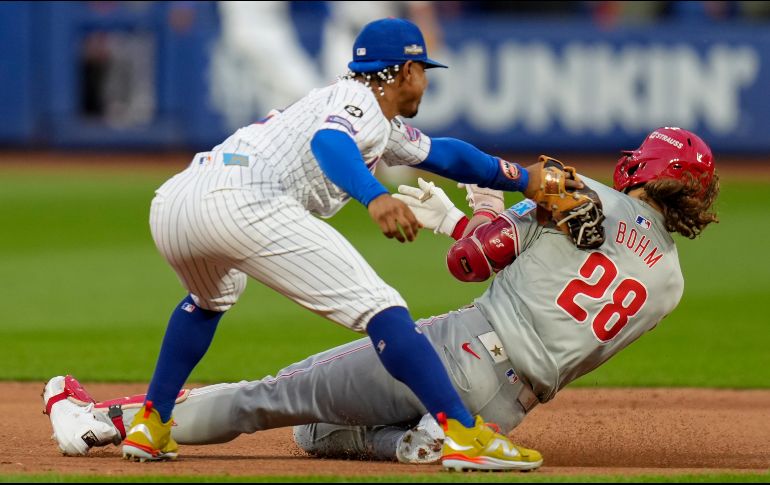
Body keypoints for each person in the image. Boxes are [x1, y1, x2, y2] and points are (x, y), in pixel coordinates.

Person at [43, 127, 719, 467]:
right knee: (313, 433)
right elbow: (564, 300)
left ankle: (104, 420)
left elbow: (470, 260)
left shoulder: (583, 195)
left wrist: (473, 215)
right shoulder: (671, 285)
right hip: (511, 404)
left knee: (273, 395)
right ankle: (416, 440)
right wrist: (477, 223)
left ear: (644, 166)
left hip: (456, 347)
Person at [100, 16, 585, 471]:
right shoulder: (358, 107)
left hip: (175, 202)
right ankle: (462, 433)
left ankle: (151, 423)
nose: (426, 82)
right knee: (383, 307)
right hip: (244, 202)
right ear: (408, 71)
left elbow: (444, 155)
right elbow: (330, 144)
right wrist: (375, 197)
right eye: (424, 72)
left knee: (209, 300)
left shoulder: (367, 113)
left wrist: (522, 178)